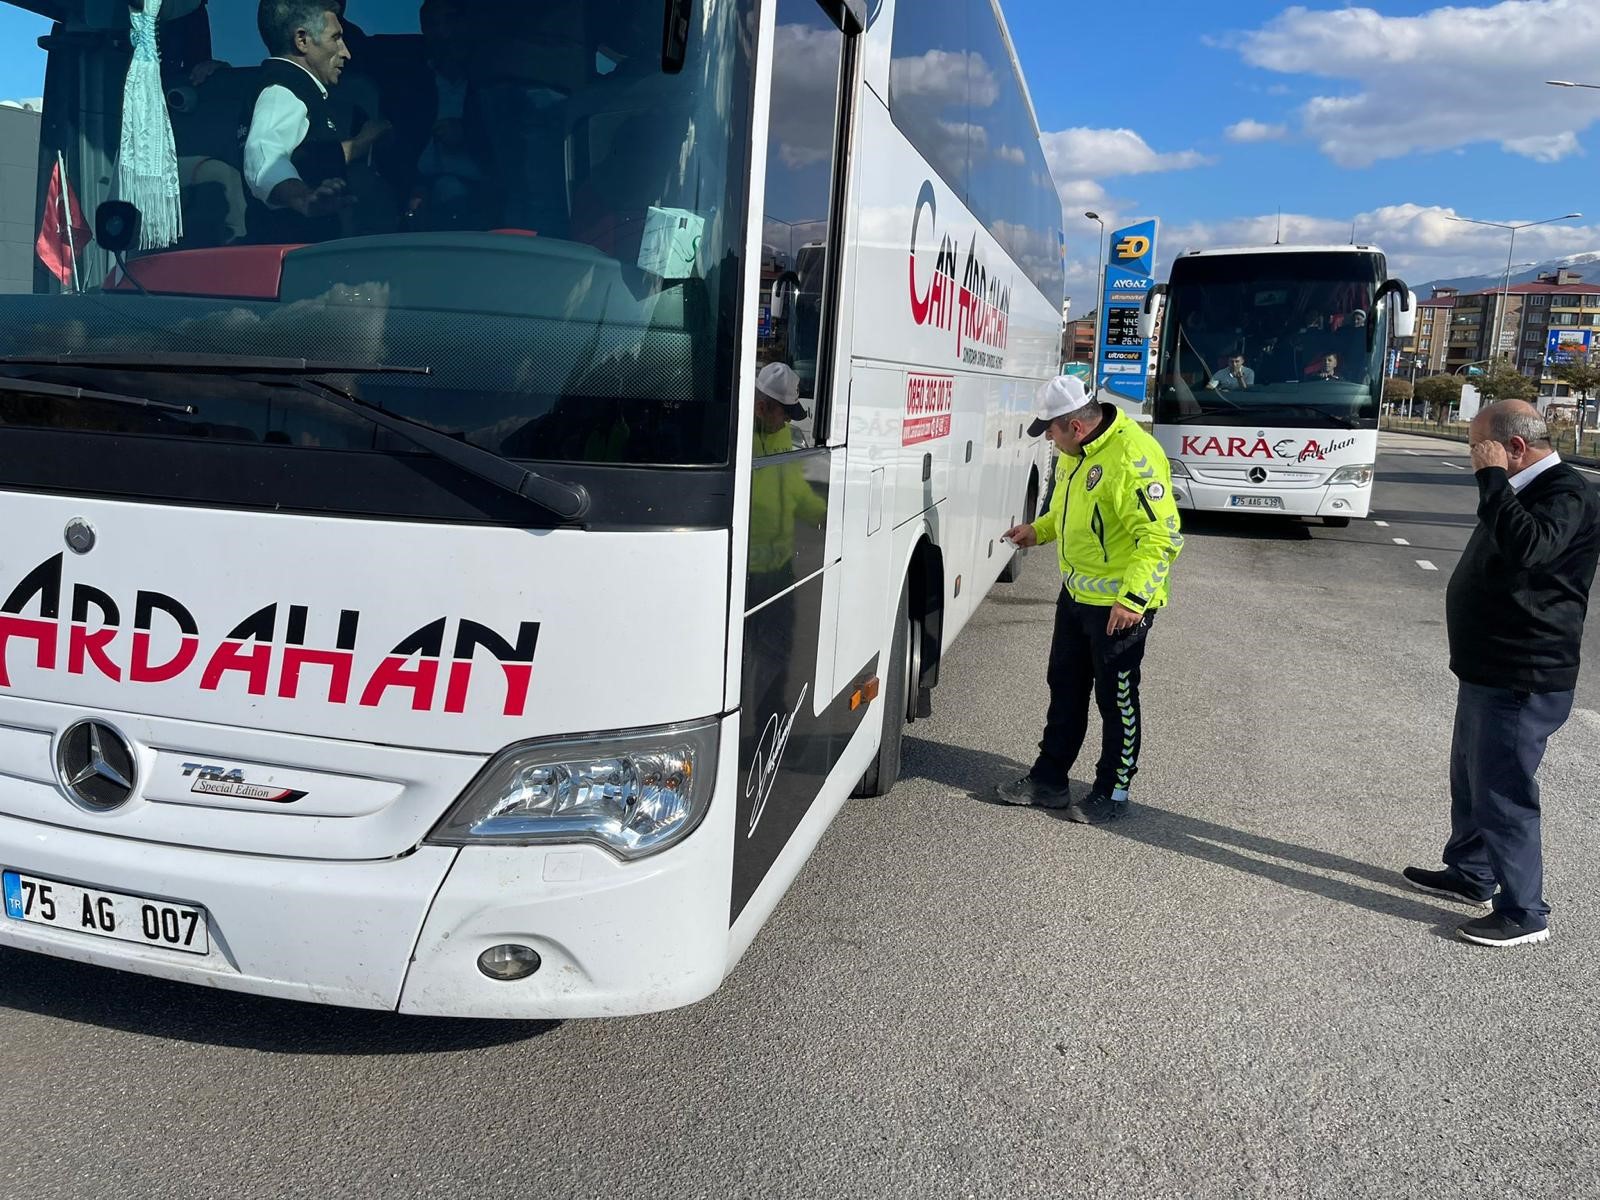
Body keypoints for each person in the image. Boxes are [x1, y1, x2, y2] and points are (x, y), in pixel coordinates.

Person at [1404, 400, 1600, 947]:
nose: (1473, 458)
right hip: (1488, 667)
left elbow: (1528, 549)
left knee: (1505, 791)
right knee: (1471, 778)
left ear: (1514, 447)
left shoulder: (1567, 491)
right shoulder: (1520, 487)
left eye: (1478, 447)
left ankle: (1524, 913)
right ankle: (1471, 873)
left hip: (1524, 671)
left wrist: (1492, 479)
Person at [998, 376, 1184, 823]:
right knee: (1064, 688)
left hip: (1120, 608)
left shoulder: (1132, 458)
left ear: (1075, 427)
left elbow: (1162, 537)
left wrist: (1133, 599)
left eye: (1051, 430)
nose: (1048, 438)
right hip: (1076, 596)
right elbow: (1066, 512)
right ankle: (1049, 779)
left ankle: (1112, 791)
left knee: (1115, 700)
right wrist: (1037, 532)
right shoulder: (1075, 455)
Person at [240, 1, 390, 243]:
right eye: (336, 38)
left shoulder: (299, 91)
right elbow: (264, 156)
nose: (346, 52)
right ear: (302, 40)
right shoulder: (283, 90)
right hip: (293, 259)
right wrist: (303, 197)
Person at [748, 362, 826, 593]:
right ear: (762, 408)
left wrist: (821, 514)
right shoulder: (737, 442)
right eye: (785, 413)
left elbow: (794, 487)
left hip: (781, 565)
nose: (788, 422)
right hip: (748, 569)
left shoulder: (781, 435)